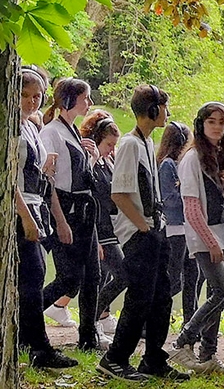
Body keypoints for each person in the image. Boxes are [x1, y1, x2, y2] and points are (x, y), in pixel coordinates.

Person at [97, 85, 189, 381]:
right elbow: (119, 194)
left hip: (154, 230)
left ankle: (153, 359)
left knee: (161, 297)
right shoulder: (129, 145)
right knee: (139, 298)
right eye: (164, 106)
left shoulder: (147, 143)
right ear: (152, 110)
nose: (168, 113)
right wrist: (143, 226)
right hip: (140, 234)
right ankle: (115, 358)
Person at [170, 102, 224, 374]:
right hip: (204, 237)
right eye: (212, 122)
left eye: (222, 123)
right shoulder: (192, 158)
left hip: (222, 233)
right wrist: (210, 242)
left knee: (216, 293)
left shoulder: (218, 156)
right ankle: (183, 341)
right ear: (201, 124)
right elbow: (191, 207)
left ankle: (208, 355)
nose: (218, 128)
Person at [15, 67, 77, 370]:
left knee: (35, 275)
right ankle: (39, 346)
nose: (31, 102)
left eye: (37, 96)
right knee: (32, 275)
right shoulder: (12, 128)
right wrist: (26, 218)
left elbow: (38, 175)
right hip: (21, 209)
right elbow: (8, 181)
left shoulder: (31, 126)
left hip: (38, 205)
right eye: (25, 96)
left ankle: (28, 340)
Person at [39, 78, 104, 351]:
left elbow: (80, 176)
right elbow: (50, 181)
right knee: (69, 278)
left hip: (84, 210)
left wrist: (93, 157)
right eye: (85, 97)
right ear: (69, 99)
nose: (89, 103)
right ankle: (24, 316)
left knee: (94, 276)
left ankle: (88, 336)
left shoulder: (74, 131)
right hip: (65, 210)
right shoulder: (52, 132)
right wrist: (61, 221)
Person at [80, 110, 124, 341]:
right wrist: (94, 238)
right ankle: (91, 320)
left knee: (105, 278)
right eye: (109, 144)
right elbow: (89, 193)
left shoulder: (108, 161)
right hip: (100, 229)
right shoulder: (92, 160)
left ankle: (94, 323)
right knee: (123, 274)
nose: (111, 149)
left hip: (112, 228)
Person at [157, 121, 200, 325]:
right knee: (174, 278)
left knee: (192, 276)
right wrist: (190, 197)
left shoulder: (182, 165)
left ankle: (190, 322)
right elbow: (169, 198)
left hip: (188, 227)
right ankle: (153, 314)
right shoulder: (167, 165)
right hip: (175, 228)